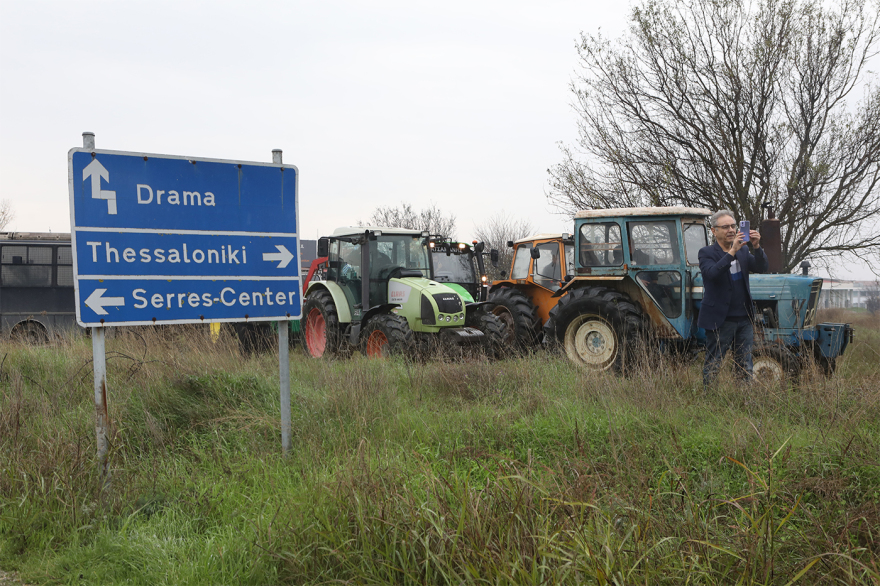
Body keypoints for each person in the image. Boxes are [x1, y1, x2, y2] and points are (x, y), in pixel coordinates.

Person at [698, 210, 768, 386]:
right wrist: (731, 251)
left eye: (733, 226)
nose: (730, 230)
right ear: (714, 231)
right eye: (725, 227)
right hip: (720, 319)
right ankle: (709, 400)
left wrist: (757, 247)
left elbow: (762, 267)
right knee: (714, 362)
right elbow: (712, 274)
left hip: (744, 317)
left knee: (745, 364)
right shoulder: (706, 252)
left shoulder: (744, 251)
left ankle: (744, 400)